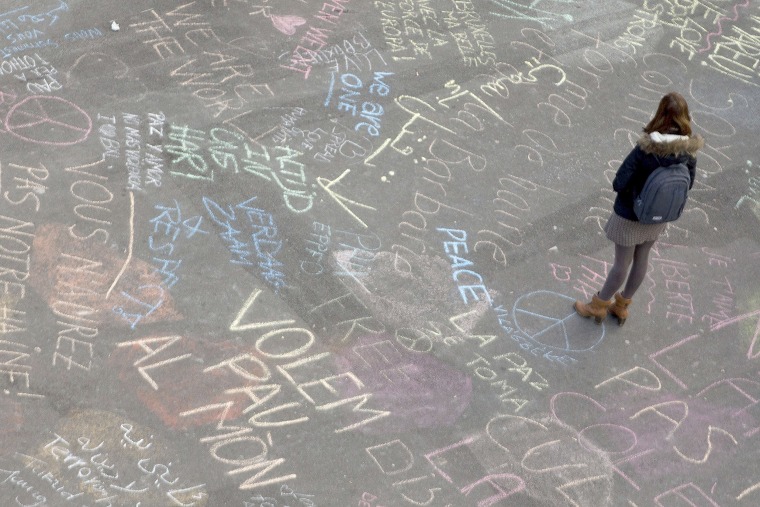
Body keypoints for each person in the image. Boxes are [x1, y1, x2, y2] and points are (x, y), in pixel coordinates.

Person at [575, 92, 704, 326]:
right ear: (684, 118)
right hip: (659, 216)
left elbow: (619, 182)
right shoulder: (688, 151)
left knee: (621, 264)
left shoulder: (647, 148)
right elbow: (689, 184)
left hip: (630, 215)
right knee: (642, 257)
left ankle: (598, 305)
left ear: (660, 115)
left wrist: (636, 193)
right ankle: (622, 306)